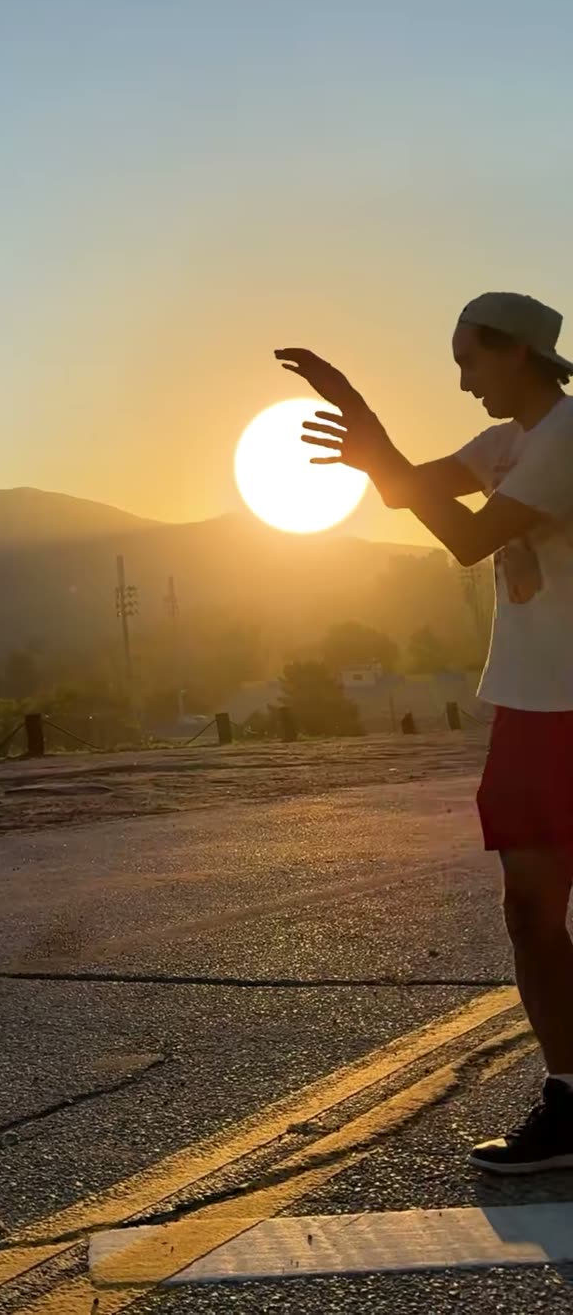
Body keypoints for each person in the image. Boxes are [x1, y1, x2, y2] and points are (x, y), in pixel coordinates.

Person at [276, 292, 573, 1174]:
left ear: (518, 353)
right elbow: (413, 487)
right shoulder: (507, 441)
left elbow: (471, 539)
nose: (461, 378)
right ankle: (569, 1098)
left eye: (469, 360)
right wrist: (361, 420)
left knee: (542, 910)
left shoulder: (563, 439)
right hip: (530, 706)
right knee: (530, 911)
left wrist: (372, 451)